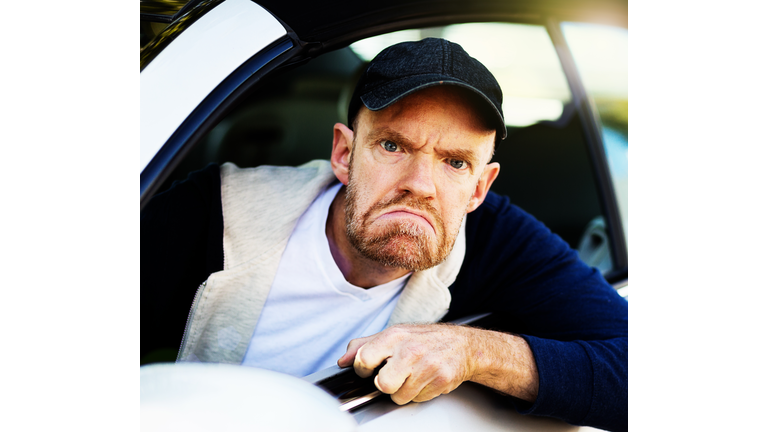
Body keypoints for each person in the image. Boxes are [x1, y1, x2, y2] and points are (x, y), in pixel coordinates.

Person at [141, 38, 627, 431]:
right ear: (343, 154)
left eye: (455, 163)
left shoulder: (496, 236)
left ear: (480, 187)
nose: (420, 185)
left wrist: (472, 351)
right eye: (393, 146)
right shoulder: (214, 211)